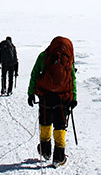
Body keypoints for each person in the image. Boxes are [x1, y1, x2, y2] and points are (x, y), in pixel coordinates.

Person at [28, 36, 77, 167]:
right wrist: (74, 97)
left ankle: (45, 151)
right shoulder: (67, 58)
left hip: (45, 95)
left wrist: (31, 93)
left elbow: (35, 74)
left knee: (45, 122)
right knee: (60, 126)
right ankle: (59, 156)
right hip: (63, 98)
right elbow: (72, 78)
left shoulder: (45, 56)